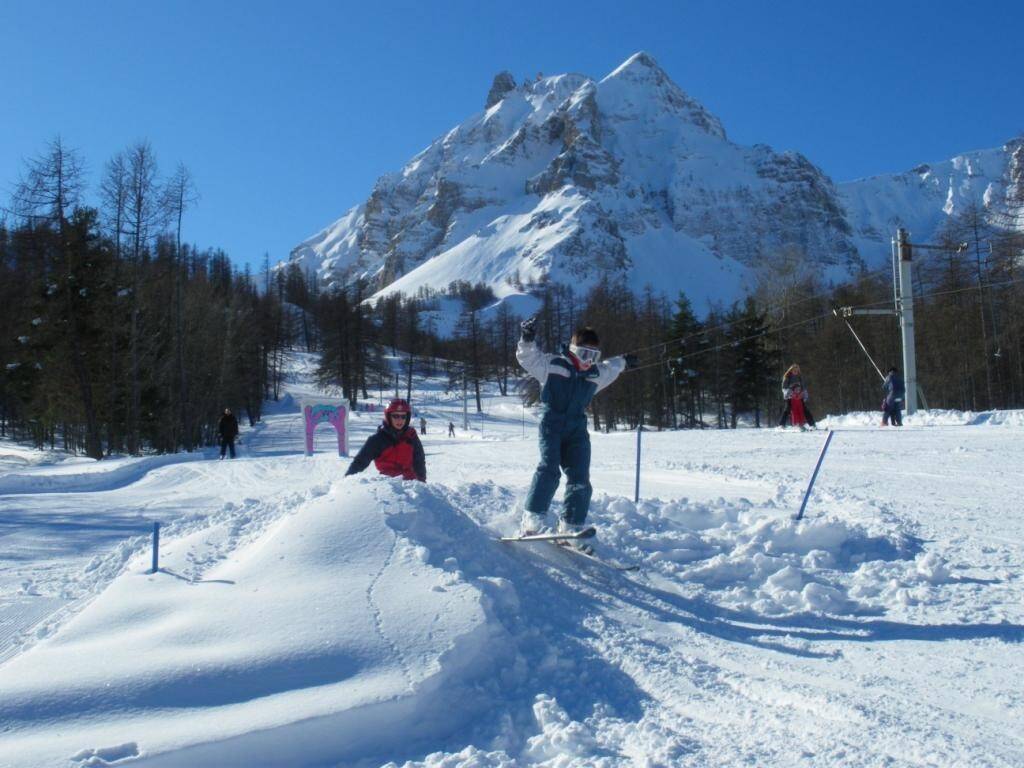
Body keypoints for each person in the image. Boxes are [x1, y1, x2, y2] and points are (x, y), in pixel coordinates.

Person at [516, 317, 637, 551]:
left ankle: (570, 526)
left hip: (577, 429)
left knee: (580, 479)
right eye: (584, 354)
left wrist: (625, 362)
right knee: (549, 469)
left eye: (593, 356)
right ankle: (532, 520)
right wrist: (527, 339)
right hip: (552, 423)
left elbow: (612, 366)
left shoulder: (595, 374)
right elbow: (528, 358)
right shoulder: (553, 366)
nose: (587, 361)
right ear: (573, 350)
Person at [345, 398, 426, 481]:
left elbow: (419, 462)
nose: (400, 420)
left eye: (403, 416)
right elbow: (359, 462)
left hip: (411, 484)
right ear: (388, 417)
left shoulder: (411, 437)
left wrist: (422, 484)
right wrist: (347, 482)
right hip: (388, 485)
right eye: (395, 416)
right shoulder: (377, 440)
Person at [778, 364, 816, 428]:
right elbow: (784, 388)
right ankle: (781, 424)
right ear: (791, 370)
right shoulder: (787, 377)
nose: (795, 371)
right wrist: (789, 393)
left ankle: (812, 424)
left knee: (805, 409)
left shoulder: (799, 377)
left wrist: (804, 394)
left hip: (799, 397)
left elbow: (803, 387)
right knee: (787, 409)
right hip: (790, 397)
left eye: (797, 370)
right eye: (794, 370)